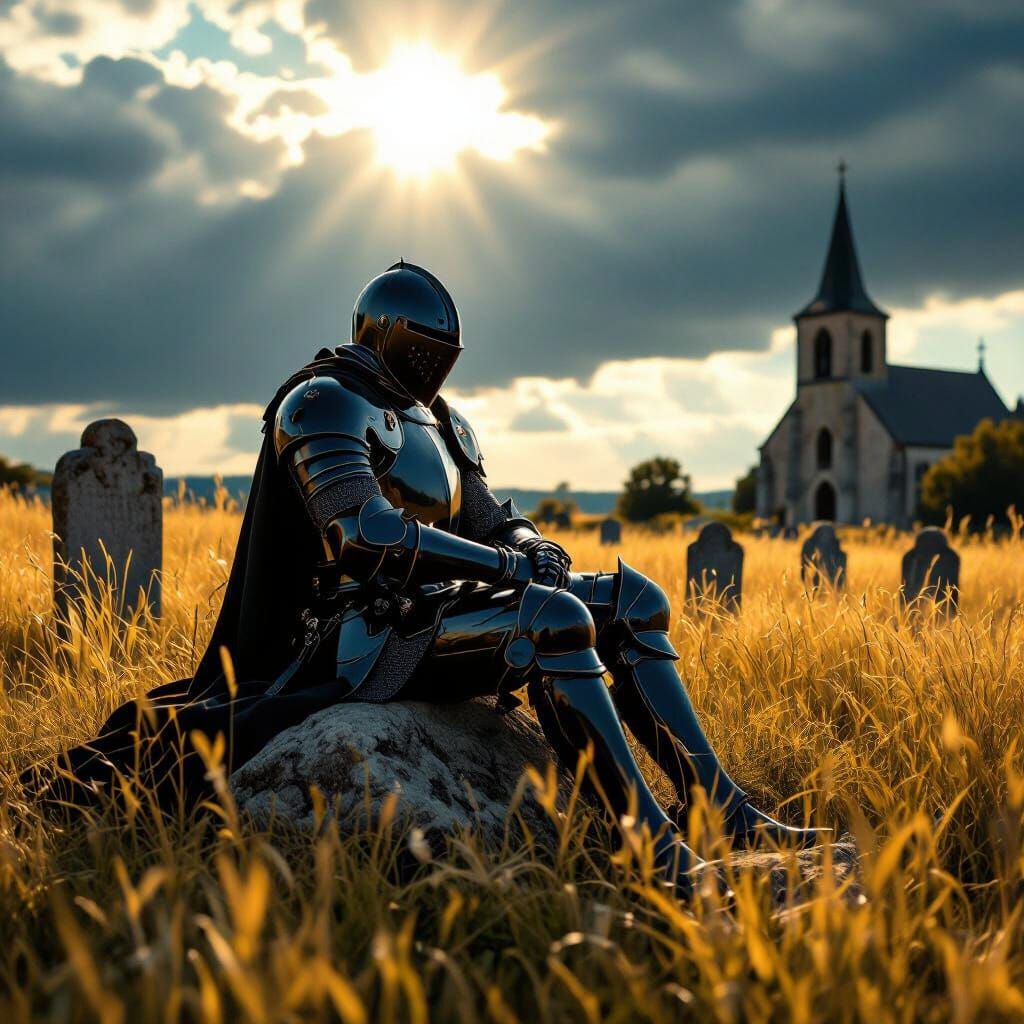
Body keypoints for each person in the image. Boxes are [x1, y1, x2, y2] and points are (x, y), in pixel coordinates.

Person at [34, 262, 822, 889]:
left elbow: (487, 515)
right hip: (351, 637)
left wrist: (529, 542)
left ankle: (723, 809)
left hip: (434, 613)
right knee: (550, 620)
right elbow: (363, 535)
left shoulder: (441, 421)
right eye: (422, 348)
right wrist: (510, 569)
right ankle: (653, 849)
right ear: (385, 333)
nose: (434, 366)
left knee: (632, 599)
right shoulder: (323, 402)